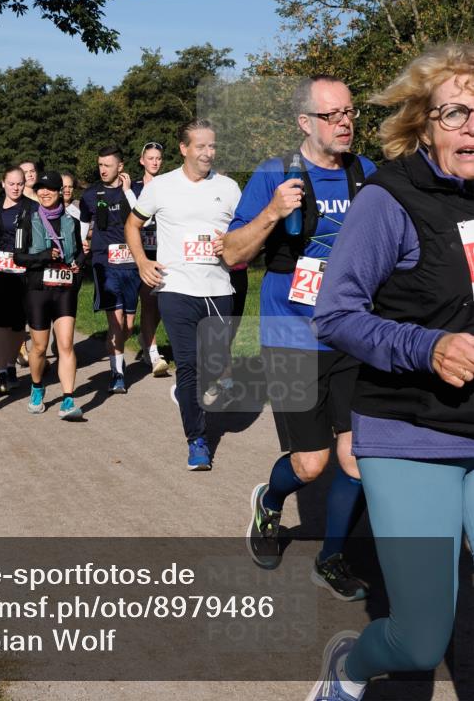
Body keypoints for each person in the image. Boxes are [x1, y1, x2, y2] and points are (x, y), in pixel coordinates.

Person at [304, 43, 473, 701]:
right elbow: (336, 315)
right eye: (454, 111)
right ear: (423, 121)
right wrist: (428, 348)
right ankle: (349, 666)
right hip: (410, 433)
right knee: (421, 639)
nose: (470, 127)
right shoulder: (388, 199)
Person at [219, 76, 376, 599]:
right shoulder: (274, 174)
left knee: (357, 457)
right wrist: (271, 213)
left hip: (353, 335)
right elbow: (232, 253)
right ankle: (270, 500)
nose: (345, 122)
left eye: (349, 112)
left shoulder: (367, 175)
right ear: (305, 123)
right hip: (290, 336)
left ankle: (330, 557)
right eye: (332, 115)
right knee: (312, 464)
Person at [126, 120, 241, 470]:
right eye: (201, 146)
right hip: (175, 288)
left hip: (220, 288)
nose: (208, 152)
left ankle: (187, 394)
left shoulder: (229, 187)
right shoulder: (161, 187)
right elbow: (133, 225)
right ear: (184, 148)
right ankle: (197, 440)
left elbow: (247, 232)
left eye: (213, 146)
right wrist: (143, 262)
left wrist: (235, 244)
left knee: (214, 364)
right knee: (189, 363)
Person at [15, 170, 86, 419]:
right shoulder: (27, 219)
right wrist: (44, 256)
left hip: (65, 289)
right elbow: (19, 256)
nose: (44, 193)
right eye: (41, 189)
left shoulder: (72, 222)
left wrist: (78, 263)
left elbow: (78, 252)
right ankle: (36, 387)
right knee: (39, 347)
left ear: (60, 192)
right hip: (37, 290)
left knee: (66, 344)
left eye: (50, 189)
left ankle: (67, 399)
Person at [79, 146, 141, 394]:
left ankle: (116, 352)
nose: (103, 169)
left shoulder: (134, 190)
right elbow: (84, 219)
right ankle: (117, 373)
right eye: (100, 165)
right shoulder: (91, 193)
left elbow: (143, 217)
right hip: (104, 262)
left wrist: (127, 193)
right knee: (115, 321)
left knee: (127, 325)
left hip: (131, 261)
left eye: (107, 165)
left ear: (120, 167)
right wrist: (83, 241)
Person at [0, 166, 38, 394]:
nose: (16, 188)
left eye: (20, 184)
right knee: (1, 321)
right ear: (3, 183)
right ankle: (1, 371)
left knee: (17, 324)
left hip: (24, 273)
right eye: (11, 183)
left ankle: (11, 366)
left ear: (25, 185)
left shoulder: (32, 207)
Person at [130, 141, 169, 377]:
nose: (155, 162)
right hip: (138, 251)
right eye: (150, 158)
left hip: (163, 250)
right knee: (147, 298)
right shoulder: (132, 187)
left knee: (160, 302)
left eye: (158, 158)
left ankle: (147, 343)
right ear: (142, 161)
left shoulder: (169, 185)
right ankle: (153, 352)